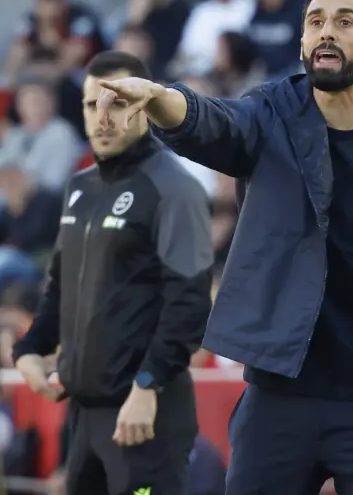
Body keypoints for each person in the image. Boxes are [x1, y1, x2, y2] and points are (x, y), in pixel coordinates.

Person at [94, 0, 353, 495]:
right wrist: (159, 97)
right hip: (278, 398)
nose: (326, 31)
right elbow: (212, 123)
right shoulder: (269, 115)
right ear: (302, 40)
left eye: (344, 21)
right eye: (315, 21)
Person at [12, 51, 213, 495]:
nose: (102, 117)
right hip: (83, 417)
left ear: (143, 105)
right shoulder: (80, 189)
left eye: (117, 103)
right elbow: (61, 289)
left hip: (145, 416)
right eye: (90, 105)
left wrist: (147, 385)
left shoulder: (175, 190)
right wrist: (29, 348)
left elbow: (191, 306)